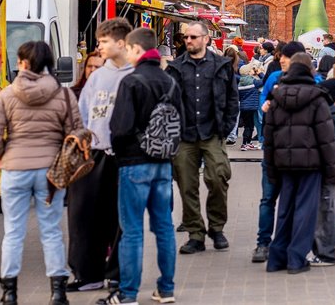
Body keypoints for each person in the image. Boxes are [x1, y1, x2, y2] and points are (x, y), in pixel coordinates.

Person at [0, 40, 83, 305]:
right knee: (51, 230)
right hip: (51, 171)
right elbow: (77, 132)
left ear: (24, 63)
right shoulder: (63, 95)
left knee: (13, 231)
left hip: (15, 169)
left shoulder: (7, 94)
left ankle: (9, 292)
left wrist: (5, 153)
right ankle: (58, 291)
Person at [102, 27, 182, 305]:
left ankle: (127, 294)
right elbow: (179, 123)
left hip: (134, 164)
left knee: (132, 230)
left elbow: (120, 127)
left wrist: (121, 152)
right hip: (163, 164)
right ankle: (166, 289)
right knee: (164, 228)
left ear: (136, 50)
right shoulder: (170, 81)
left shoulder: (131, 81)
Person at [69, 18, 134, 292]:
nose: (99, 47)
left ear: (121, 43)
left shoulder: (134, 75)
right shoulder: (96, 77)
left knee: (120, 218)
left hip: (124, 156)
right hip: (93, 154)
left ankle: (117, 273)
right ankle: (88, 273)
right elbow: (83, 114)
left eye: (104, 42)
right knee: (84, 215)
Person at [166, 21, 239, 254]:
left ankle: (217, 228)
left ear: (206, 39)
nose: (189, 41)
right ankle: (195, 233)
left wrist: (226, 128)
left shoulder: (222, 66)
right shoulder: (176, 67)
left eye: (194, 37)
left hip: (212, 132)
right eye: (186, 37)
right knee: (187, 184)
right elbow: (168, 102)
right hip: (185, 135)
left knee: (218, 177)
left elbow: (232, 99)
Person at [264, 53, 335, 274]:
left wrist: (270, 168)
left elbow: (268, 138)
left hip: (283, 164)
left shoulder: (276, 97)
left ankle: (276, 258)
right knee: (306, 211)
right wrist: (332, 171)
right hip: (310, 164)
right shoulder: (317, 98)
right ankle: (296, 258)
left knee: (285, 210)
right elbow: (326, 138)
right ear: (310, 70)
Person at [252, 41, 306, 264]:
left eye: (286, 56)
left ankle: (290, 242)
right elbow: (263, 100)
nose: (281, 59)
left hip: (299, 151)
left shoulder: (313, 81)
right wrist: (266, 107)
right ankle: (263, 243)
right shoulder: (274, 79)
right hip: (272, 148)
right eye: (281, 56)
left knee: (293, 200)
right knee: (268, 198)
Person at [310, 79, 335, 267]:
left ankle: (326, 253)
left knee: (327, 211)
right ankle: (322, 251)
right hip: (330, 169)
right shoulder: (334, 113)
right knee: (325, 210)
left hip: (331, 170)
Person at [238, 62, 264, 150]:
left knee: (247, 125)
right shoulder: (253, 82)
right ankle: (245, 143)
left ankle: (248, 142)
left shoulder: (240, 83)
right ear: (248, 73)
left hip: (243, 107)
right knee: (250, 126)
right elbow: (264, 80)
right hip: (252, 107)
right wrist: (260, 73)